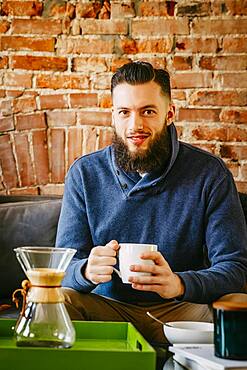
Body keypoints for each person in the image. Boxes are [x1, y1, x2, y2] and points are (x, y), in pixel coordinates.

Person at [55, 61, 247, 345]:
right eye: (125, 113)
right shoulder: (85, 174)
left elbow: (234, 267)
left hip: (181, 312)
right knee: (54, 300)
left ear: (169, 114)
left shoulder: (209, 174)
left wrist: (179, 284)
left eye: (147, 111)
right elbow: (62, 269)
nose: (135, 125)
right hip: (105, 308)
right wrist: (85, 271)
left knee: (239, 304)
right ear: (113, 116)